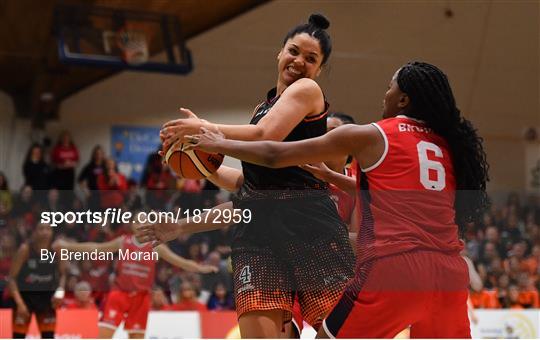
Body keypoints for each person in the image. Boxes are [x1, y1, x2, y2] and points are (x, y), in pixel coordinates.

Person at [185, 61, 490, 338]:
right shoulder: (448, 146)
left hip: (397, 267)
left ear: (403, 99)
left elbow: (272, 153)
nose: (384, 95)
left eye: (389, 87)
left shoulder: (375, 135)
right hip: (449, 273)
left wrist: (218, 140)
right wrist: (331, 178)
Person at [158, 13, 355, 338]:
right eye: (293, 51)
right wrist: (189, 154)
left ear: (319, 70)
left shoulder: (308, 90)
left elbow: (267, 135)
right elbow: (243, 183)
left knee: (341, 334)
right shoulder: (258, 109)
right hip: (258, 231)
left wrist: (206, 129)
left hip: (308, 224)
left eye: (311, 58)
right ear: (279, 53)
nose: (299, 62)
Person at [54, 224, 217, 339]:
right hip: (119, 294)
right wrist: (67, 246)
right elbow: (95, 248)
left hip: (141, 298)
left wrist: (200, 268)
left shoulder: (156, 246)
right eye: (138, 221)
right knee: (103, 336)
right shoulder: (123, 241)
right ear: (132, 225)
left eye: (145, 221)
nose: (141, 224)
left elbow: (180, 261)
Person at [8, 223, 67, 338]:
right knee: (18, 337)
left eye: (48, 229)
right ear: (35, 232)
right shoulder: (25, 250)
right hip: (25, 299)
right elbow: (11, 279)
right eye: (41, 229)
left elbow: (63, 273)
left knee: (48, 336)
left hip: (46, 299)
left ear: (52, 232)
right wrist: (20, 304)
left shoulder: (57, 250)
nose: (45, 232)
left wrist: (60, 291)